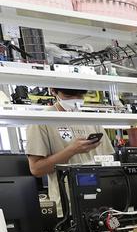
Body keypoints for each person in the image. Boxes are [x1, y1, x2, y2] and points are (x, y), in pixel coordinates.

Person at [25, 88, 115, 216]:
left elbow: (110, 161)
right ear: (53, 91)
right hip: (68, 207)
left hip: (99, 204)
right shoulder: (41, 120)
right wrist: (71, 151)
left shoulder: (90, 118)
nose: (75, 99)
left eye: (80, 94)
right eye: (68, 95)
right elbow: (36, 169)